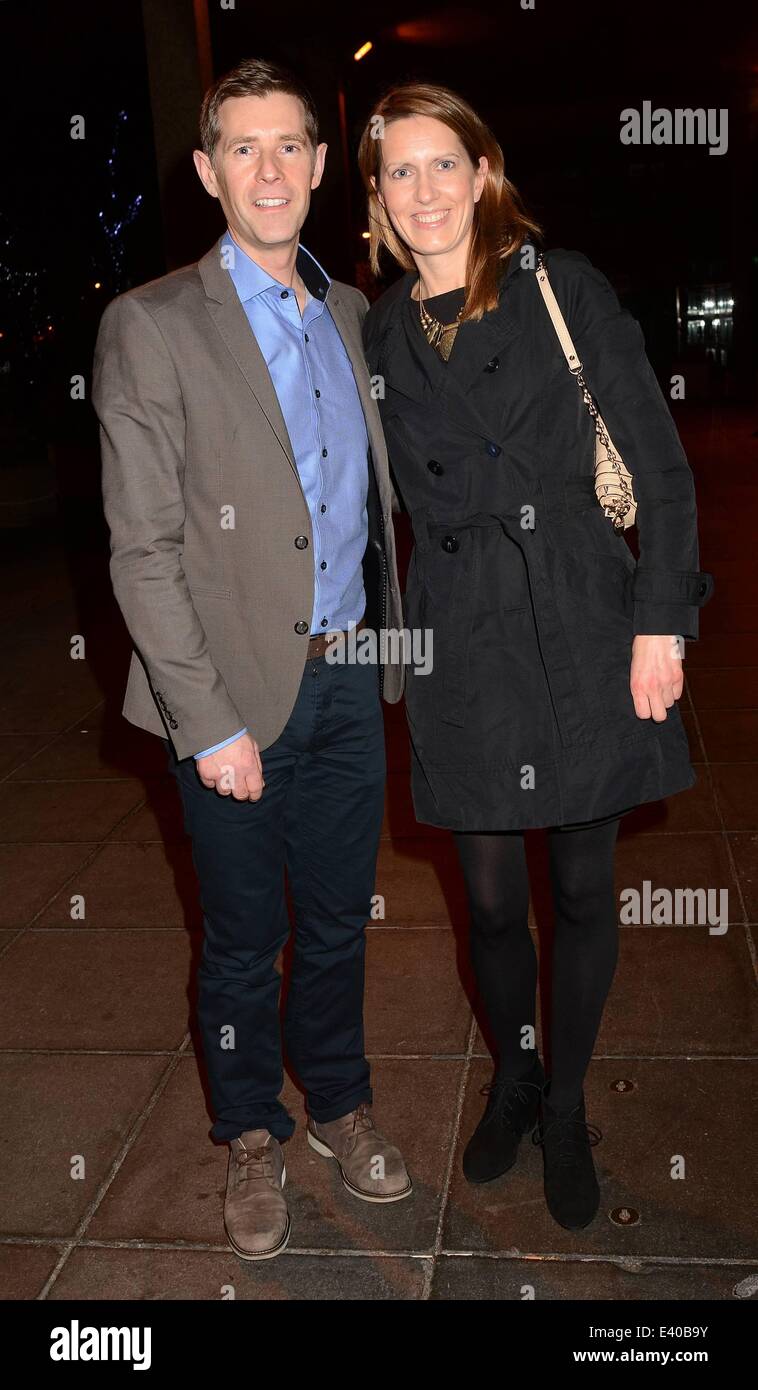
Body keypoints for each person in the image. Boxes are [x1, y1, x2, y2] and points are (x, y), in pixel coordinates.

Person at [359, 83, 714, 1230]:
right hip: (460, 634)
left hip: (576, 615)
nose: (423, 191)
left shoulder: (560, 286)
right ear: (374, 197)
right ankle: (512, 1073)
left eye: (441, 164)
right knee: (490, 901)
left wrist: (661, 619)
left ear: (481, 171)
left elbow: (658, 471)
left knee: (578, 884)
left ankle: (564, 1105)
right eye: (397, 172)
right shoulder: (379, 329)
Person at [92, 58, 412, 1263]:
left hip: (346, 672)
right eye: (244, 147)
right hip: (225, 692)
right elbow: (143, 549)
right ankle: (247, 1130)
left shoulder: (352, 314)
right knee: (241, 936)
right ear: (207, 167)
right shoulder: (151, 323)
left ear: (324, 168)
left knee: (336, 918)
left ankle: (336, 1101)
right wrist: (206, 721)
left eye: (291, 147)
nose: (270, 169)